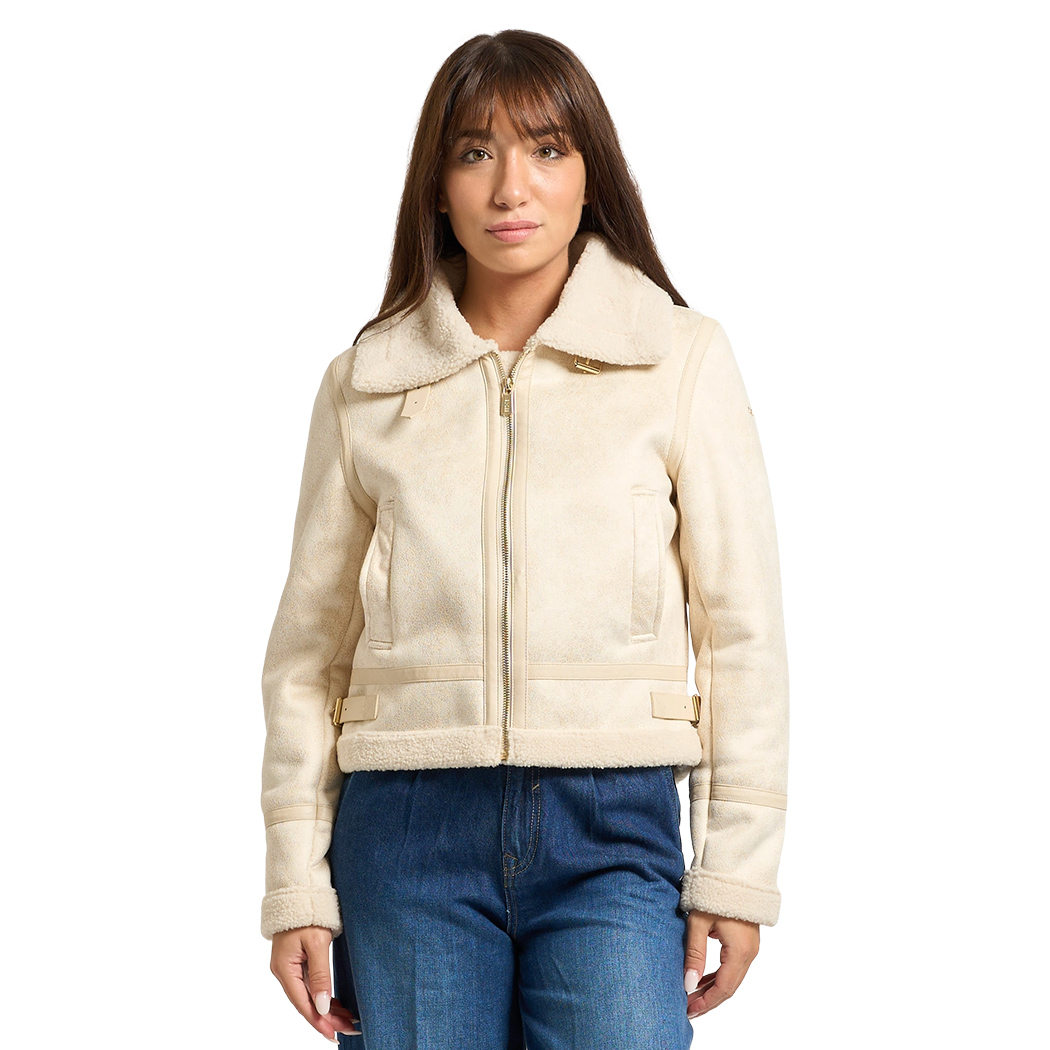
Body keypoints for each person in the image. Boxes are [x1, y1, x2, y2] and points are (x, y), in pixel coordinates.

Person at [259, 28, 789, 1050]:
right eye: (475, 152)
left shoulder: (678, 360)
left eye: (547, 149)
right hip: (404, 833)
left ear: (592, 174)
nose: (511, 187)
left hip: (614, 825)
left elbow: (742, 632)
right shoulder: (366, 384)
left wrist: (738, 866)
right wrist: (295, 881)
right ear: (437, 186)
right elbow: (307, 657)